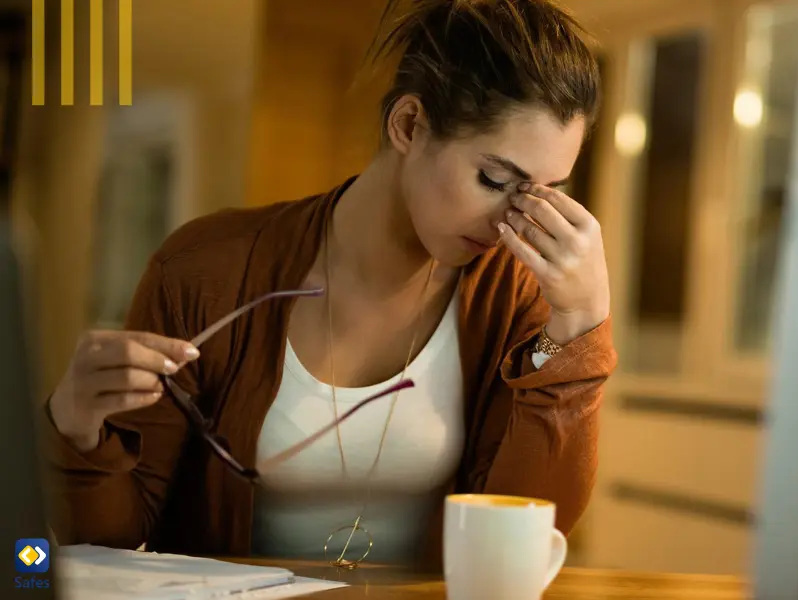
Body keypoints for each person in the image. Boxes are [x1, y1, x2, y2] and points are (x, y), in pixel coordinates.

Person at [42, 0, 614, 569]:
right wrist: (77, 429)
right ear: (408, 125)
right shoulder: (206, 270)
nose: (515, 221)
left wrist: (580, 329)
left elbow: (523, 542)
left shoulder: (517, 295)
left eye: (544, 192)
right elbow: (111, 539)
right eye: (494, 179)